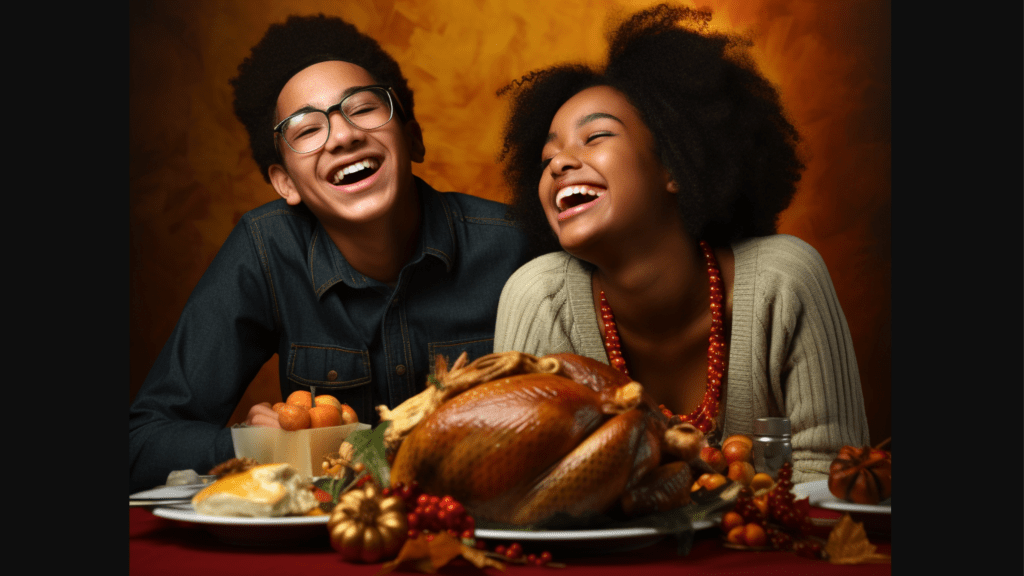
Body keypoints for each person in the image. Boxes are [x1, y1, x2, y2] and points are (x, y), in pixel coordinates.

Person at [129, 14, 533, 493]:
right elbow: (142, 442)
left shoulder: (517, 243)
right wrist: (254, 446)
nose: (342, 136)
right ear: (285, 183)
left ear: (413, 138)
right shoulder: (265, 249)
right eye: (305, 130)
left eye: (362, 109)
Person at [492, 4, 869, 483]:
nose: (560, 164)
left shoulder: (784, 281)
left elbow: (838, 480)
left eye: (596, 136)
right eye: (548, 156)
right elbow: (520, 489)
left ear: (674, 165)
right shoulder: (539, 298)